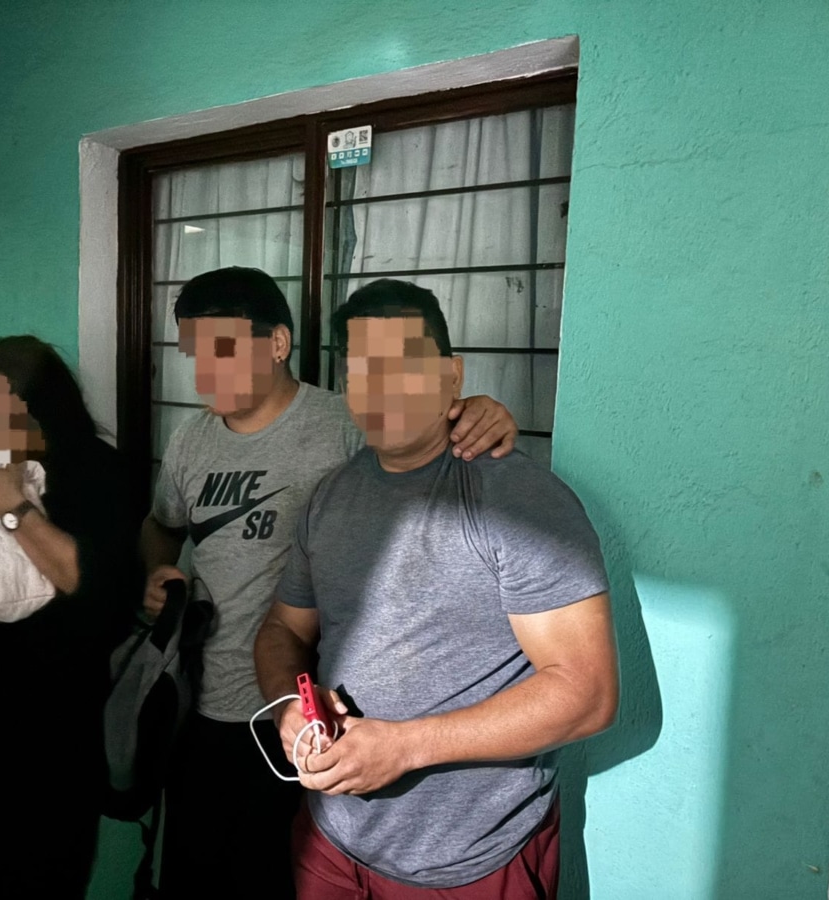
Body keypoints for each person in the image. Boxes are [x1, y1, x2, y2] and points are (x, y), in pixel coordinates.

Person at [142, 267, 521, 897]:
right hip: (200, 706)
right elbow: (161, 526)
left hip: (318, 722)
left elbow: (431, 438)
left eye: (220, 351)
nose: (204, 373)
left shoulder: (346, 423)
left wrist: (480, 414)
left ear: (277, 344)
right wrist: (157, 571)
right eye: (193, 356)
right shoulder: (190, 441)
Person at [253, 279, 620, 898]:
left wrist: (405, 747)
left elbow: (589, 693)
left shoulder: (518, 500)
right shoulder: (331, 497)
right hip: (332, 841)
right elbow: (282, 630)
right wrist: (291, 705)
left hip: (470, 857)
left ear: (452, 376)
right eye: (362, 370)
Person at [0, 336, 137, 897]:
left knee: (44, 876)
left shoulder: (99, 471)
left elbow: (98, 593)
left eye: (3, 417)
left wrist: (13, 510)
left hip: (62, 720)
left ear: (45, 410)